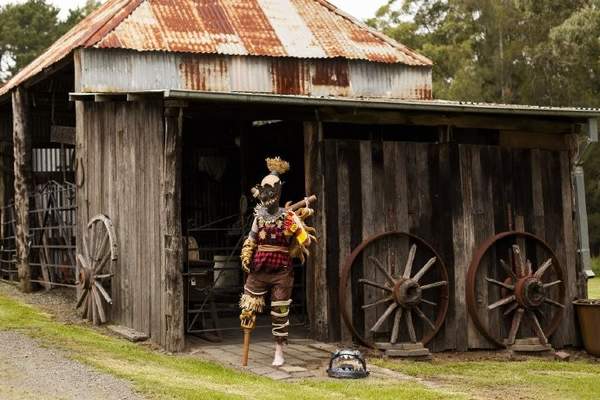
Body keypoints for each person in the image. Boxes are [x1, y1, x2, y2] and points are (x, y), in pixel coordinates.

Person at [239, 157, 315, 366]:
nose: (267, 194)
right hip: (259, 268)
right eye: (263, 189)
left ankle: (279, 351)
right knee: (248, 307)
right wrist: (246, 254)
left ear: (278, 191)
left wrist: (296, 229)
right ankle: (244, 352)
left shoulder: (288, 217)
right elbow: (252, 239)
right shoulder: (258, 217)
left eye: (271, 189)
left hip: (281, 270)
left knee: (280, 311)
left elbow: (306, 241)